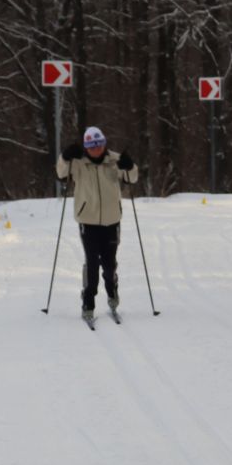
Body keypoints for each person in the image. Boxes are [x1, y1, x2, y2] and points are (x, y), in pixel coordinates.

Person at [56, 126, 141, 325]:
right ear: (86, 147)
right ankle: (88, 303)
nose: (96, 149)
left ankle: (113, 292)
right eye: (92, 146)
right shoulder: (78, 163)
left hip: (112, 220)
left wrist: (130, 166)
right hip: (88, 220)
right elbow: (61, 173)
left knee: (109, 265)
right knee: (92, 264)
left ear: (104, 144)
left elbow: (132, 177)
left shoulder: (114, 160)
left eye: (99, 145)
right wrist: (65, 156)